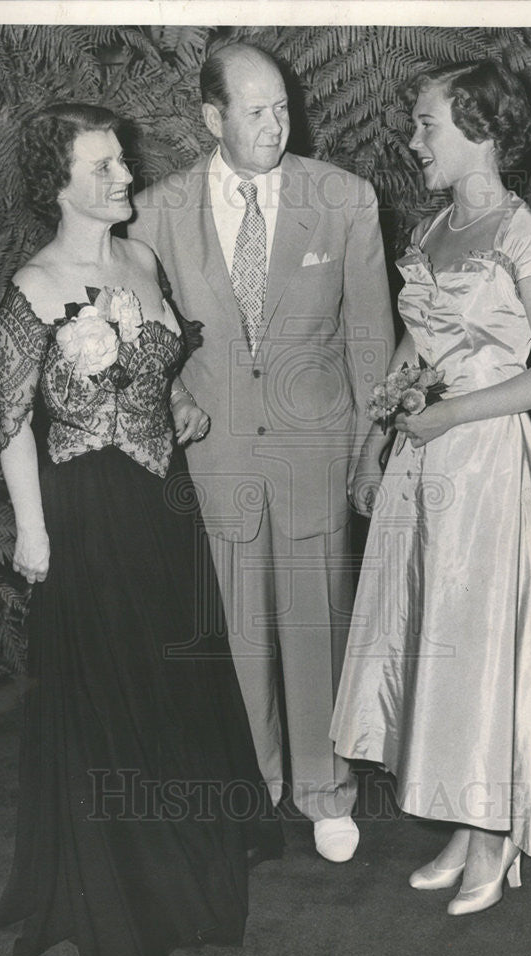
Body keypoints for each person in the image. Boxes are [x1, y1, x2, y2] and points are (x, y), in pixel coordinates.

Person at [0, 102, 280, 956]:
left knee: (174, 686)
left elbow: (161, 365)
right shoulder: (32, 287)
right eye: (101, 168)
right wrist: (33, 534)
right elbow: (10, 423)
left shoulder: (142, 258)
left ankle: (184, 872)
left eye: (120, 161)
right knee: (110, 697)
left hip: (162, 505)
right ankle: (122, 890)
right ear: (59, 184)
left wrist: (178, 402)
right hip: (84, 515)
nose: (123, 178)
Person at [331, 60, 531, 914]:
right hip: (423, 462)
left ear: (480, 131)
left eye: (426, 125)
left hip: (486, 462)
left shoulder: (525, 236)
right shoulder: (433, 227)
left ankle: (497, 834)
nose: (413, 140)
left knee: (481, 648)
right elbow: (415, 348)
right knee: (434, 648)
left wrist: (452, 418)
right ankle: (465, 819)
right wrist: (373, 442)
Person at [129, 42, 395, 863]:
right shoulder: (156, 211)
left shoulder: (344, 199)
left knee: (315, 625)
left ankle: (324, 791)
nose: (276, 125)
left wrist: (370, 450)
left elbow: (368, 338)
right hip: (215, 454)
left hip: (316, 448)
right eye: (255, 111)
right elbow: (141, 335)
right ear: (211, 118)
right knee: (236, 631)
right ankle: (253, 786)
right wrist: (168, 402)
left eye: (282, 107)